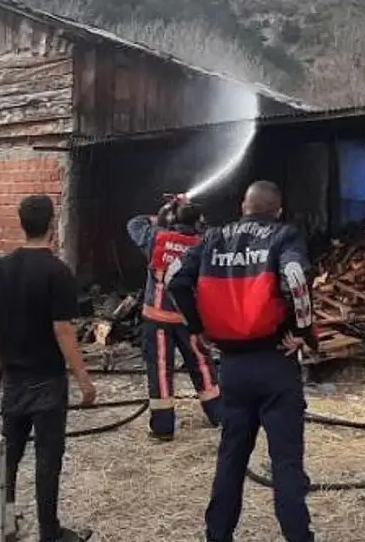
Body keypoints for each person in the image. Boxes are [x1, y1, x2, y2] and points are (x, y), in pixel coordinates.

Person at [167, 180, 318, 542]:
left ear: (243, 206)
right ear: (278, 210)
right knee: (286, 463)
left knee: (231, 457)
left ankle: (217, 535)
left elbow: (175, 278)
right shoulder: (284, 235)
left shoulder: (213, 238)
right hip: (274, 361)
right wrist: (302, 328)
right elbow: (295, 278)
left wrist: (198, 328)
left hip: (232, 367)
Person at [0, 194, 96, 542]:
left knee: (10, 454)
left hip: (15, 378)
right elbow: (62, 329)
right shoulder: (57, 271)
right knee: (48, 459)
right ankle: (50, 532)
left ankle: (4, 525)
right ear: (52, 224)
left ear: (22, 223)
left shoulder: (3, 266)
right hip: (47, 380)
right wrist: (84, 379)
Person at [126, 197, 220, 440]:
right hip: (188, 319)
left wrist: (163, 213)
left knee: (160, 370)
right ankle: (219, 414)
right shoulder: (202, 242)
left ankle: (163, 427)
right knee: (202, 365)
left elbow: (134, 224)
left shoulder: (156, 237)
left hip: (156, 319)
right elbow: (213, 235)